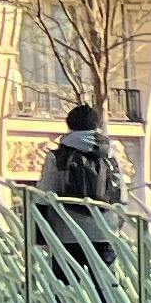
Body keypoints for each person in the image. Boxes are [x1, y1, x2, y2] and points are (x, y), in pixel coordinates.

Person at [35, 103, 120, 283]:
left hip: (67, 233)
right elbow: (120, 195)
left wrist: (40, 234)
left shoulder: (59, 156)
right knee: (105, 291)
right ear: (96, 125)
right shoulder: (110, 155)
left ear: (70, 125)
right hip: (104, 233)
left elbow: (44, 194)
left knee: (67, 291)